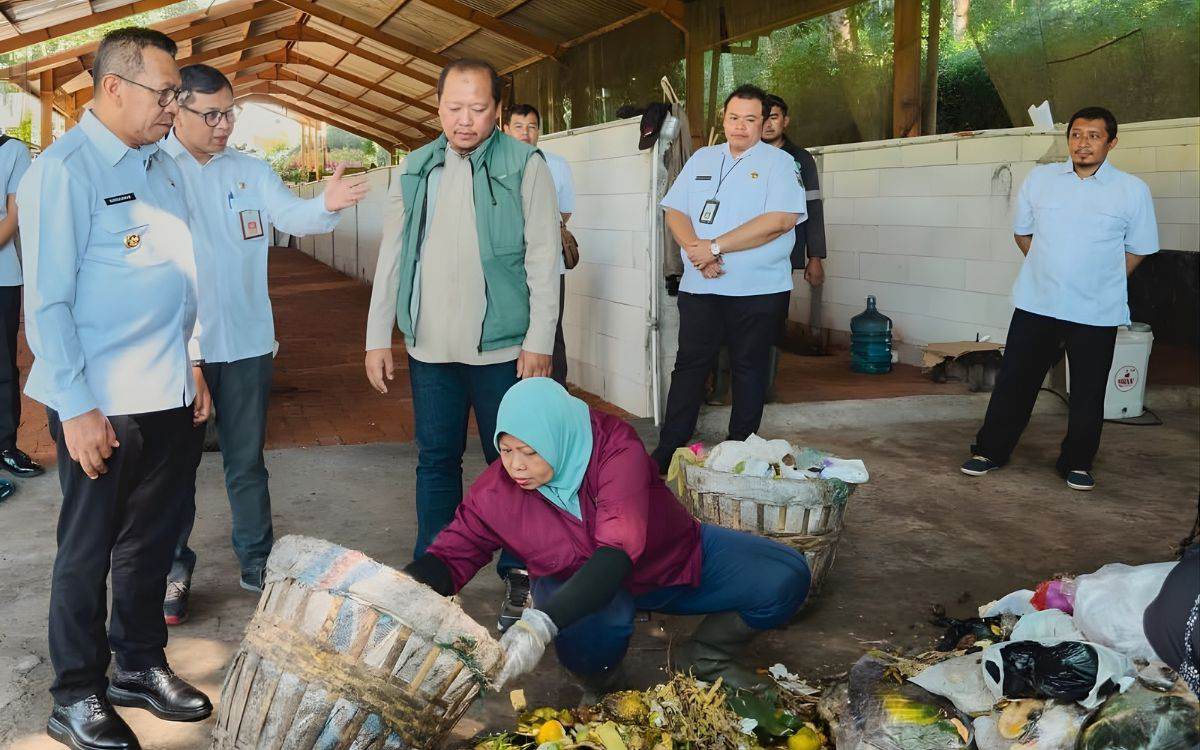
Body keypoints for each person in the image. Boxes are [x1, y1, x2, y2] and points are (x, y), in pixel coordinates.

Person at [17, 27, 213, 750]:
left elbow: (178, 277)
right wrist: (75, 407)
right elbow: (49, 306)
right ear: (112, 89)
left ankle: (137, 665)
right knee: (87, 550)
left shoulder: (161, 164)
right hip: (101, 402)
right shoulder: (64, 172)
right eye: (164, 94)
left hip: (167, 392)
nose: (174, 107)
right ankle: (76, 693)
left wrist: (193, 363)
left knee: (151, 543)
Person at [405, 378, 811, 696]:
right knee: (592, 631)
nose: (516, 466)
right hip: (580, 590)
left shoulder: (614, 448)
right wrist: (396, 591)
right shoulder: (496, 493)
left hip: (669, 560)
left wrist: (540, 624)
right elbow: (449, 556)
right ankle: (600, 684)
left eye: (529, 451)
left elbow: (617, 551)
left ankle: (706, 657)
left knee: (785, 574)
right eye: (506, 450)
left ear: (556, 435)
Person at [160, 63, 369, 624]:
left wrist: (326, 203)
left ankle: (257, 559)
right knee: (175, 467)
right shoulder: (156, 171)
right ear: (176, 110)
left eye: (230, 113)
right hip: (181, 349)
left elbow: (291, 216)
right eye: (211, 115)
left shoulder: (250, 171)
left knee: (246, 461)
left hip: (249, 341)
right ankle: (172, 569)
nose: (223, 124)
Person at [365, 59, 560, 632]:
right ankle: (435, 575)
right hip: (430, 348)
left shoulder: (526, 164)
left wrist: (538, 339)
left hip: (505, 349)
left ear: (498, 110)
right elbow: (394, 256)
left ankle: (521, 572)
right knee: (435, 460)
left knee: (518, 465)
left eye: (478, 108)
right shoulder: (416, 167)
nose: (465, 120)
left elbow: (545, 259)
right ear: (438, 106)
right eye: (454, 107)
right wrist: (380, 336)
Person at [961, 106, 1158, 491]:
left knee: (1087, 390)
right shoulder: (1042, 179)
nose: (1083, 143)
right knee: (1016, 381)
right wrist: (1048, 272)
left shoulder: (1131, 190)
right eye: (1077, 135)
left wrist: (1103, 282)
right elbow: (1023, 235)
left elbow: (1139, 249)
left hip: (1096, 310)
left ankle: (1078, 462)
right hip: (1038, 303)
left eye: (1094, 136)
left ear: (1111, 142)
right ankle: (990, 451)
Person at [649, 84, 807, 475]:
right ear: (724, 118)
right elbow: (675, 211)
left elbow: (780, 221)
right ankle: (668, 448)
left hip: (757, 291)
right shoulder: (703, 158)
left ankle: (740, 452)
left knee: (748, 369)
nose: (740, 126)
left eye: (751, 119)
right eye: (734, 118)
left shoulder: (780, 164)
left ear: (764, 122)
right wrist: (698, 252)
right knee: (689, 367)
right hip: (701, 287)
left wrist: (715, 247)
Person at [504, 103, 577, 386]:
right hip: (508, 266)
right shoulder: (495, 165)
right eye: (519, 127)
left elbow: (565, 212)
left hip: (549, 265)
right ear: (506, 130)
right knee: (511, 330)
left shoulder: (556, 164)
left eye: (532, 127)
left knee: (551, 329)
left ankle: (555, 397)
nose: (526, 134)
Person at [0, 132, 41, 501]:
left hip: (3, 277)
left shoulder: (12, 150)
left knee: (3, 367)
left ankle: (6, 446)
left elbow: (14, 215)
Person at [762, 94, 826, 286]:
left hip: (785, 248)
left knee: (775, 307)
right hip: (745, 248)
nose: (767, 124)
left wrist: (815, 257)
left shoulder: (801, 159)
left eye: (773, 117)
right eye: (762, 118)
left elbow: (813, 207)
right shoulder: (744, 158)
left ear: (785, 121)